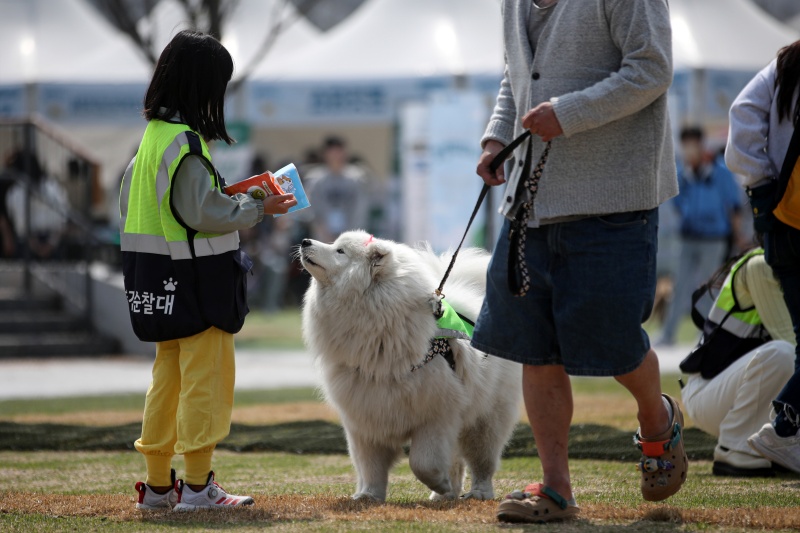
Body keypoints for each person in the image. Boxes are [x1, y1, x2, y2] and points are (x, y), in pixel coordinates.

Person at [473, 0, 685, 523]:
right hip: (531, 200)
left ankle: (657, 420)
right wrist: (498, 133)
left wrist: (567, 113)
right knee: (533, 346)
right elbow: (518, 72)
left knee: (614, 342)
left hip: (614, 198)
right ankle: (556, 489)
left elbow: (652, 69)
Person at [119, 30, 296, 511]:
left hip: (155, 283)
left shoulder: (152, 140)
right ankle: (197, 487)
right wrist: (258, 206)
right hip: (200, 286)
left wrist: (226, 199)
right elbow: (204, 213)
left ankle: (158, 487)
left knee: (166, 383)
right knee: (206, 385)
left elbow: (140, 205)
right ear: (204, 86)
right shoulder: (187, 144)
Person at [725, 39, 800, 473]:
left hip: (777, 221)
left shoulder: (786, 61)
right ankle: (783, 428)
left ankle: (786, 430)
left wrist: (762, 185)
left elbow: (742, 113)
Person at [680, 248, 795, 477]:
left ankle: (776, 445)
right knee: (784, 353)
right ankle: (735, 447)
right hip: (709, 393)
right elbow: (791, 341)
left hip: (743, 390)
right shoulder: (761, 265)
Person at [657, 127, 745, 346]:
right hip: (688, 238)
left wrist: (738, 237)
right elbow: (677, 205)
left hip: (714, 239)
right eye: (685, 146)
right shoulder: (682, 175)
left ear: (701, 145)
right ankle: (668, 335)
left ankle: (706, 334)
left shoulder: (720, 173)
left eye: (692, 145)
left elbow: (734, 207)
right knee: (679, 287)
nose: (689, 151)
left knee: (708, 287)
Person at [4, 149, 69, 261]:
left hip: (41, 243)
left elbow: (62, 218)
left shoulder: (51, 188)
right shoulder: (53, 187)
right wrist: (48, 245)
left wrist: (48, 245)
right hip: (40, 243)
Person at [304, 136, 368, 243]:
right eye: (332, 152)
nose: (336, 156)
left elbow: (360, 210)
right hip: (322, 238)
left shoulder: (356, 179)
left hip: (350, 238)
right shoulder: (315, 180)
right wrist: (323, 231)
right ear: (325, 154)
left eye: (338, 152)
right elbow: (311, 210)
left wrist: (350, 235)